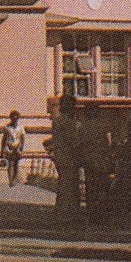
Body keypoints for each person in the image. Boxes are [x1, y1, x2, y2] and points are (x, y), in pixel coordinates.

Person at [75, 109, 114, 226]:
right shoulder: (103, 126)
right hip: (101, 161)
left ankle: (92, 215)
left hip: (88, 161)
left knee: (90, 188)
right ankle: (102, 216)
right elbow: (109, 144)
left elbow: (79, 144)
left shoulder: (82, 127)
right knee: (102, 188)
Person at [48, 94, 81, 224]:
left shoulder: (58, 120)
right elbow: (72, 141)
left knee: (65, 184)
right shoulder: (67, 122)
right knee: (70, 185)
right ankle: (69, 213)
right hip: (69, 156)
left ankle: (62, 211)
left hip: (61, 155)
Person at [0, 110, 27, 187]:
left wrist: (21, 148)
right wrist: (2, 150)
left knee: (16, 164)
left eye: (16, 118)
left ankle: (14, 179)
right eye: (13, 118)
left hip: (17, 147)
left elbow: (22, 138)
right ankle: (11, 180)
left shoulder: (21, 128)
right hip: (9, 147)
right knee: (10, 164)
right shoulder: (7, 128)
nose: (14, 120)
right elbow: (4, 139)